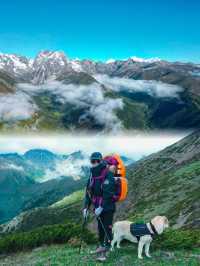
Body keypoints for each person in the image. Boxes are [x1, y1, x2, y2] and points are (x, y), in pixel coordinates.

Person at [82, 152, 116, 262]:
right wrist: (86, 208)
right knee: (100, 228)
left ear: (101, 161)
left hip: (108, 206)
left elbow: (108, 193)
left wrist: (101, 207)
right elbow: (88, 192)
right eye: (93, 161)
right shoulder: (92, 175)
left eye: (97, 161)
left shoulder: (108, 174)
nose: (95, 163)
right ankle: (101, 246)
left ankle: (106, 252)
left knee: (107, 228)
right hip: (97, 206)